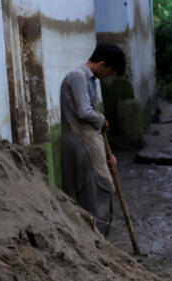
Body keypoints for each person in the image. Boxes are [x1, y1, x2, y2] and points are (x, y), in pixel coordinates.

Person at [60, 43, 125, 235]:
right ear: (103, 64)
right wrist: (102, 119)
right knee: (95, 192)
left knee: (102, 190)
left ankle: (100, 239)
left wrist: (107, 154)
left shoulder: (89, 80)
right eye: (110, 72)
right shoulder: (77, 77)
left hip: (91, 143)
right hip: (82, 147)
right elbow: (84, 112)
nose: (108, 77)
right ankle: (95, 239)